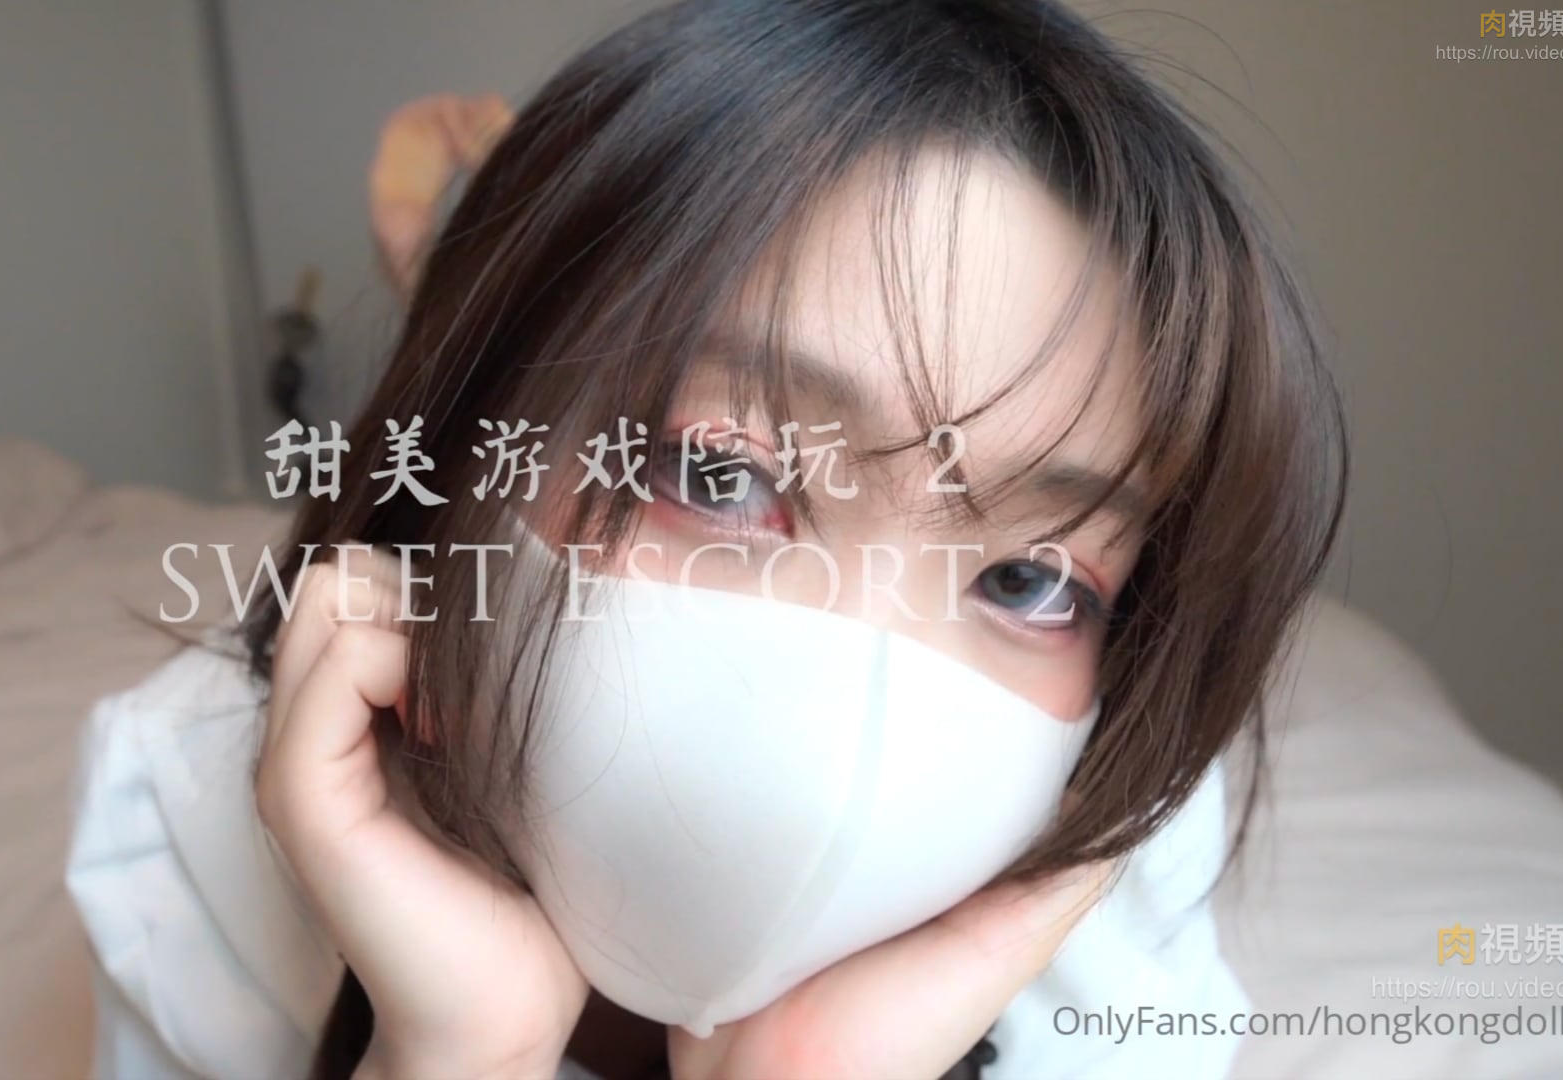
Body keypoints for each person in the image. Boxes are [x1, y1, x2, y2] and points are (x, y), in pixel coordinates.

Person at [67, 1, 1347, 1077]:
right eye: (720, 474)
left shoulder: (1114, 848)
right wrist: (458, 1056)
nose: (846, 700)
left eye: (1029, 578)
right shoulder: (193, 821)